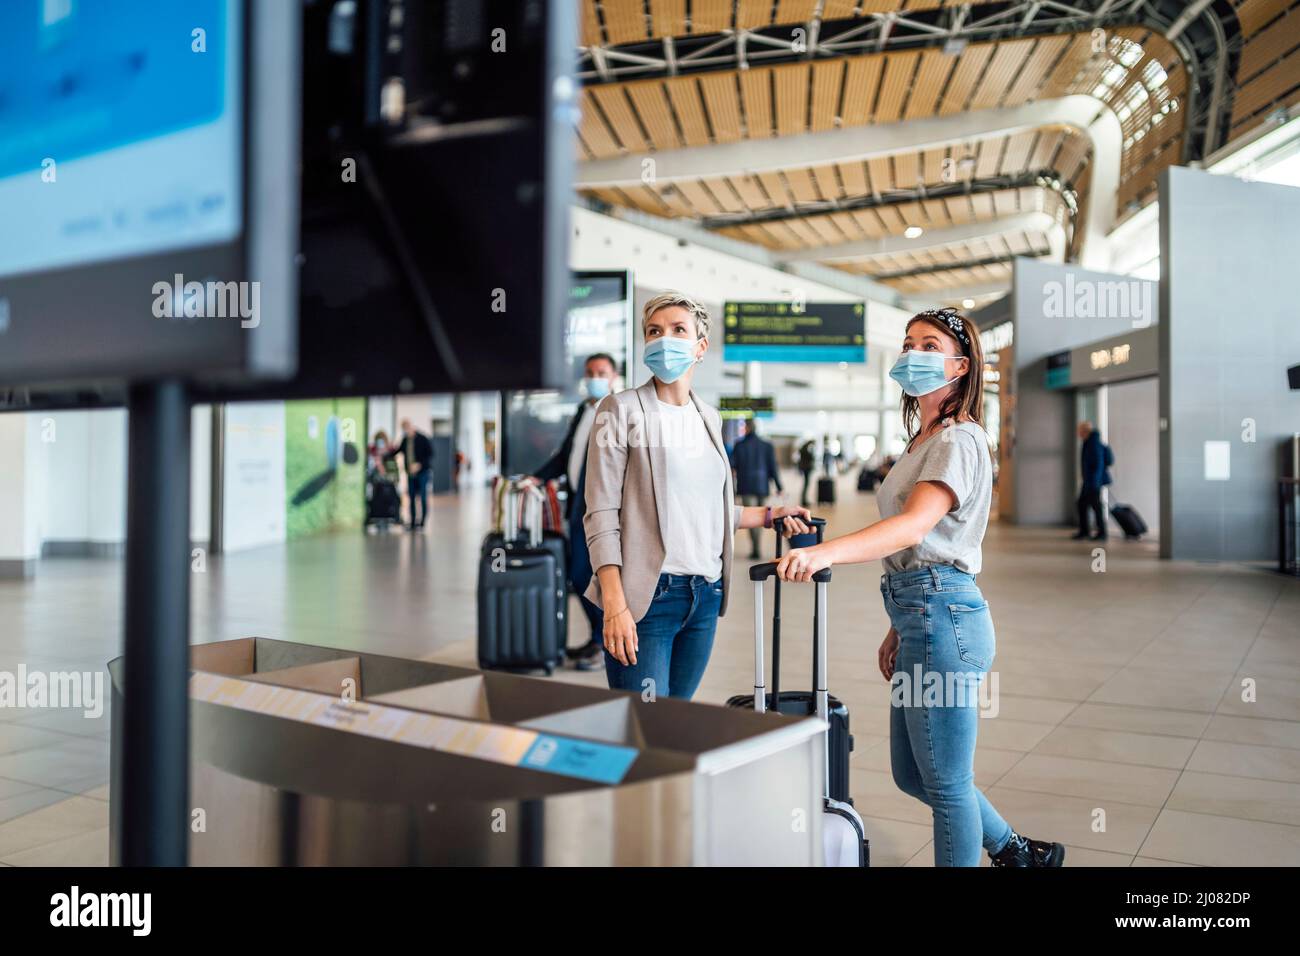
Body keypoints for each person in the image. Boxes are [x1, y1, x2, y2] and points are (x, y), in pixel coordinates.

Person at [774, 307, 1065, 868]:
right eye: (909, 342)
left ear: (959, 365)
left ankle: (1014, 854)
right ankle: (1017, 852)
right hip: (920, 617)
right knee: (914, 775)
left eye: (929, 345)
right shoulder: (922, 439)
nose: (914, 353)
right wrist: (896, 627)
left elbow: (913, 528)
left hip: (944, 619)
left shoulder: (958, 439)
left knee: (949, 783)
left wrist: (821, 552)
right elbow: (920, 551)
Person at [583, 292, 811, 700]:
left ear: (700, 347)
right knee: (646, 729)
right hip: (645, 598)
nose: (664, 338)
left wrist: (769, 513)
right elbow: (600, 513)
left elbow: (705, 505)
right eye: (654, 331)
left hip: (704, 596)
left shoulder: (709, 416)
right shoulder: (619, 409)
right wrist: (615, 604)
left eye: (678, 330)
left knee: (679, 723)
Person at [535, 352, 621, 671]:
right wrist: (536, 476)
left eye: (601, 372)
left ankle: (605, 643)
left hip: (601, 510)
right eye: (590, 372)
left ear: (614, 376)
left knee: (591, 575)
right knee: (578, 575)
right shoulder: (584, 410)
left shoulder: (617, 412)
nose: (595, 377)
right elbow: (565, 456)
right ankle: (597, 637)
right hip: (577, 507)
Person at [729, 419, 784, 560]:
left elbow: (731, 466)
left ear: (746, 428)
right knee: (762, 515)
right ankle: (757, 546)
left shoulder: (739, 445)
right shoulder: (766, 445)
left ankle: (756, 548)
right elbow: (773, 467)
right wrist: (779, 486)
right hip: (762, 486)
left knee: (753, 516)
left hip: (746, 486)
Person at [388, 418, 434, 530]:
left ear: (411, 426)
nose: (406, 430)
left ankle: (422, 522)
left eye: (407, 427)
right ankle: (413, 522)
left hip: (423, 472)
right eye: (404, 428)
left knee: (423, 496)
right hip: (410, 474)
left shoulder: (422, 438)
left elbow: (430, 454)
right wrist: (385, 452)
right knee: (411, 497)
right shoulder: (405, 440)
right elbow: (397, 451)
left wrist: (419, 465)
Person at [1072, 421, 1112, 541]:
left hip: (1093, 482)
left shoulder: (1093, 443)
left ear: (1085, 431)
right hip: (1089, 481)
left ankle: (1102, 533)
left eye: (1079, 430)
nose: (1078, 433)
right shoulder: (1088, 442)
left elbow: (1098, 464)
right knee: (1082, 505)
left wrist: (1093, 482)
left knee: (1096, 506)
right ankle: (1085, 531)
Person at [797, 439, 816, 508]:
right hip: (807, 469)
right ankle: (804, 500)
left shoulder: (803, 449)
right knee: (806, 484)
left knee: (806, 484)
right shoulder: (806, 450)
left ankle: (804, 499)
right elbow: (811, 458)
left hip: (805, 468)